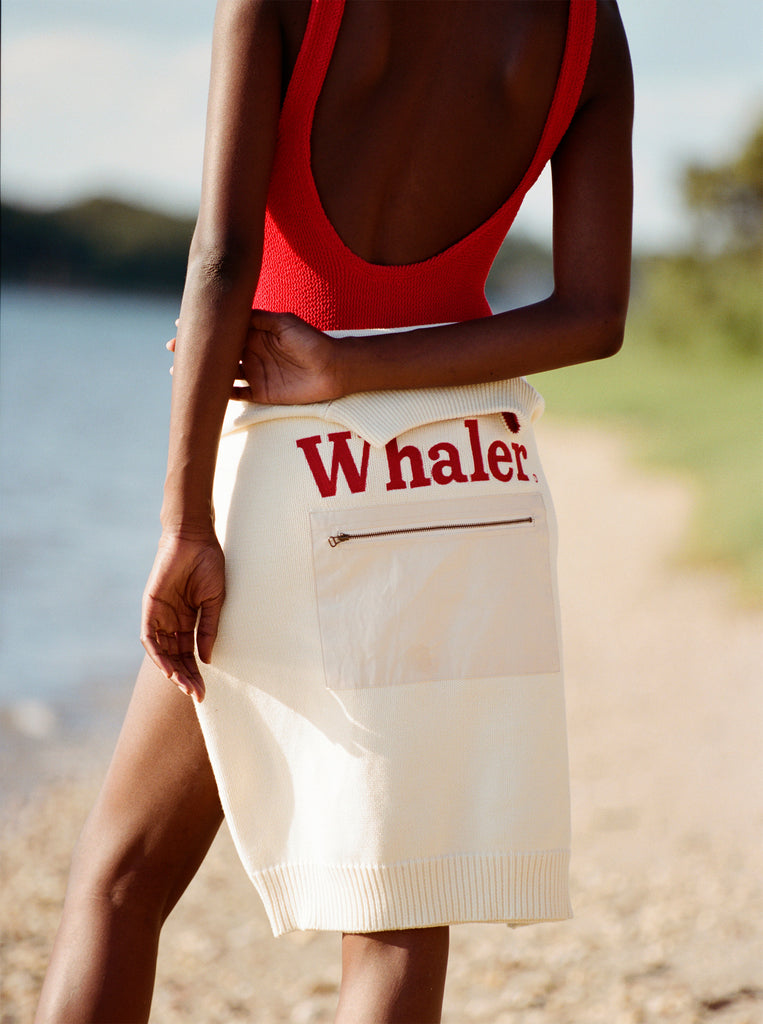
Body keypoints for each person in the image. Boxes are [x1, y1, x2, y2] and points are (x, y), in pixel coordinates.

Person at [35, 1, 632, 1021]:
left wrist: (183, 520)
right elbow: (594, 314)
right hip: (469, 478)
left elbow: (222, 259)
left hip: (292, 466)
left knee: (121, 879)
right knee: (401, 913)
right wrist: (352, 366)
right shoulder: (587, 20)